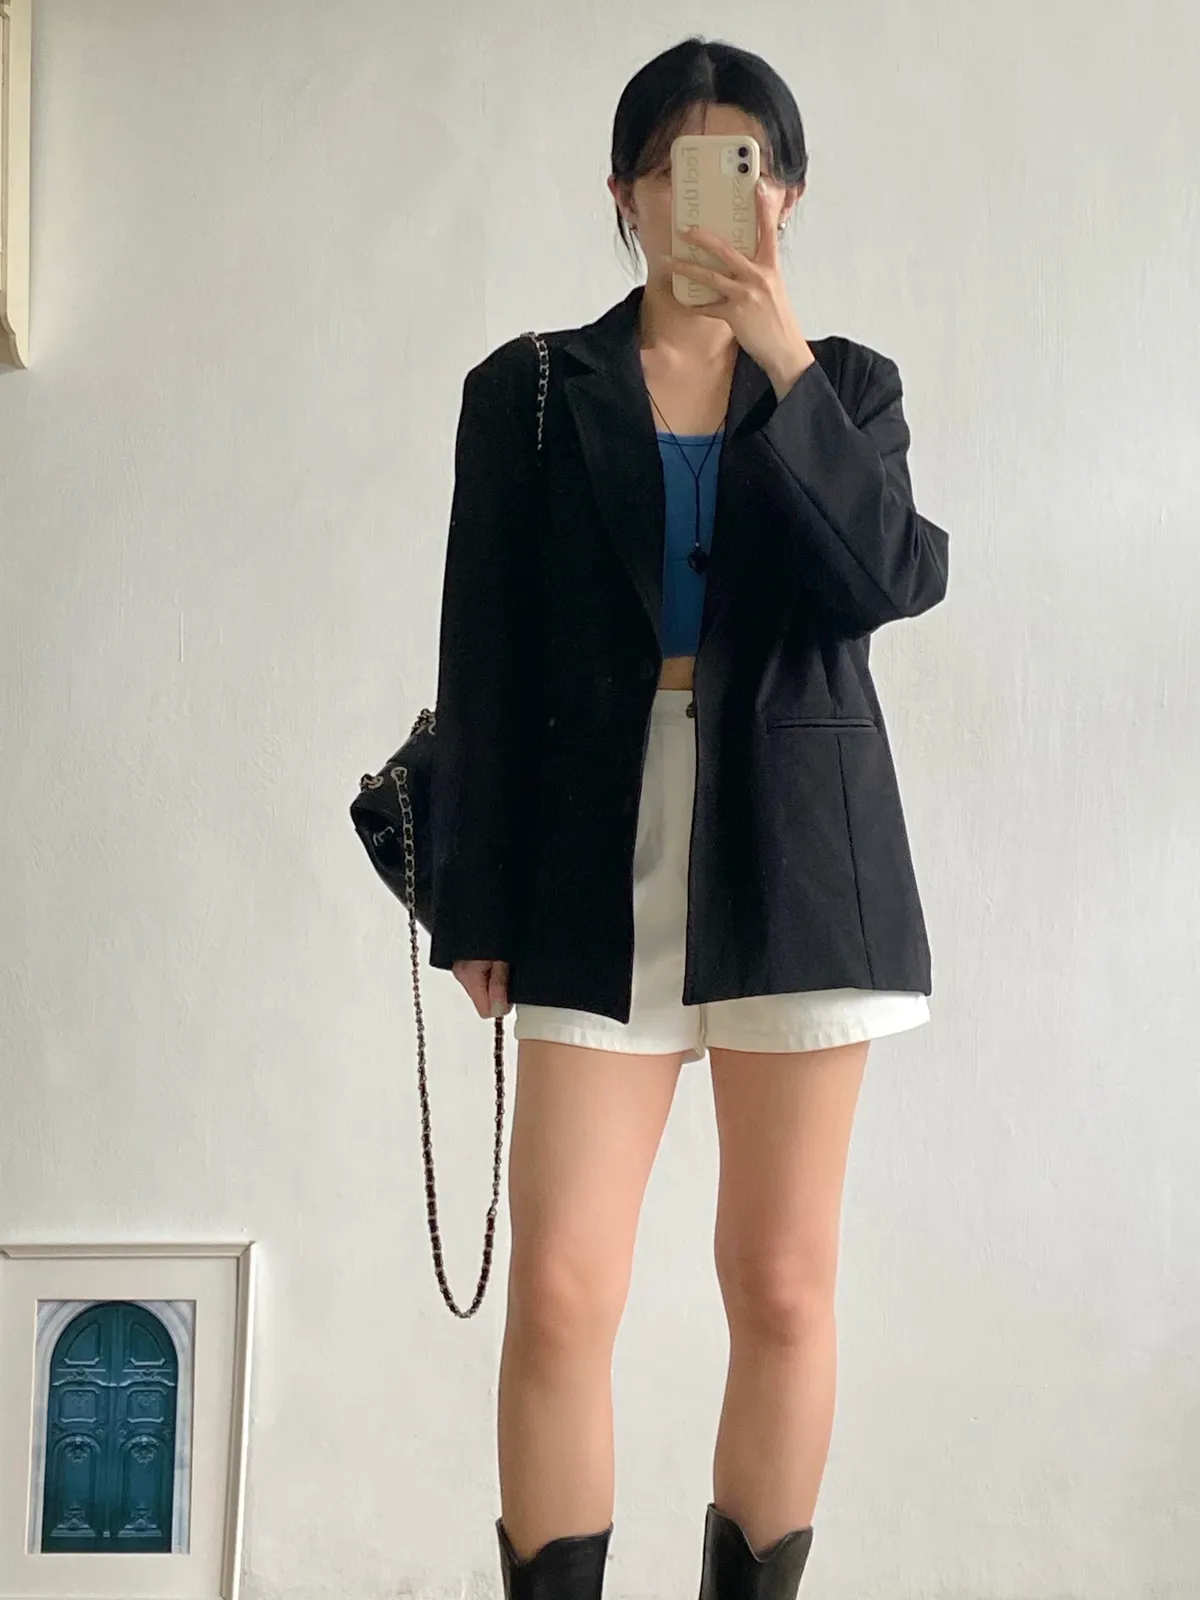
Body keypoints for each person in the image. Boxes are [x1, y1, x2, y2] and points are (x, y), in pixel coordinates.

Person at [426, 34, 950, 1600]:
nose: (711, 195)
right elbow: (481, 654)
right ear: (625, 193)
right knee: (561, 1296)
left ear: (788, 195)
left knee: (780, 1287)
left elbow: (890, 579)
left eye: (747, 165)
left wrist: (784, 360)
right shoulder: (529, 391)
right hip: (592, 856)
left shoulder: (847, 387)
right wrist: (475, 905)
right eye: (676, 167)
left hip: (802, 854)